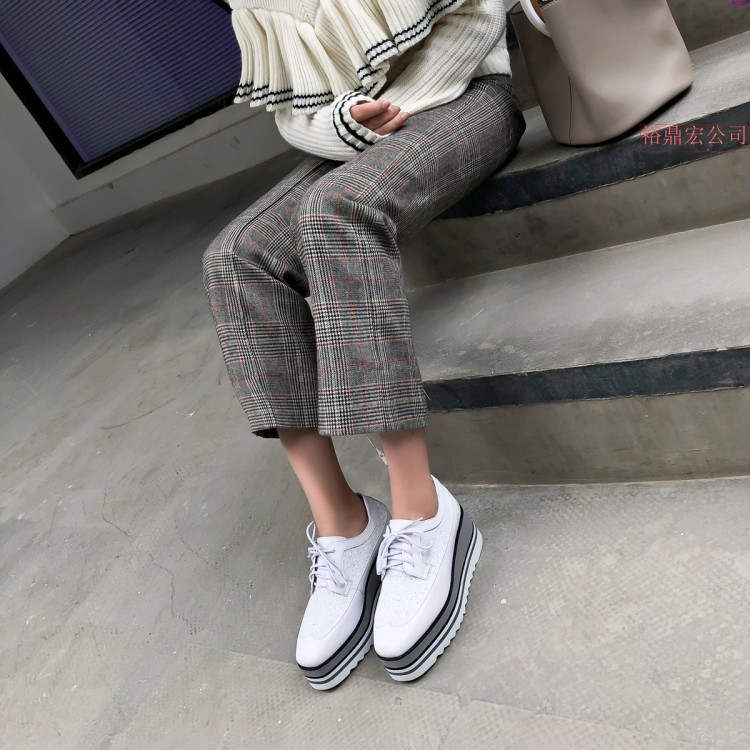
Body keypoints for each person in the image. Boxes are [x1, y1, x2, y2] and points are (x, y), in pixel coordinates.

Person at [203, 0, 526, 689]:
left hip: (468, 96)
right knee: (234, 258)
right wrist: (344, 122)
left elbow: (478, 17)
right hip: (360, 138)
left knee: (336, 209)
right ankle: (343, 524)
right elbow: (290, 105)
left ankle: (423, 509)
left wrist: (390, 111)